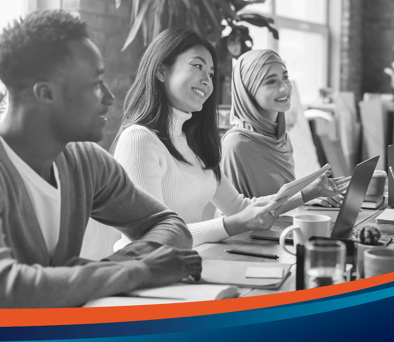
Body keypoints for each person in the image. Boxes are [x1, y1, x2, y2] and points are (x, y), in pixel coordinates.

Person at [0, 10, 201, 308]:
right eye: (95, 84)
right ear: (45, 93)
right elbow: (9, 289)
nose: (109, 96)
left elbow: (170, 225)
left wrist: (108, 270)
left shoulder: (85, 161)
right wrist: (139, 270)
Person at [112, 29, 347, 249]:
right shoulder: (139, 140)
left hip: (189, 263)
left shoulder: (192, 142)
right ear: (161, 71)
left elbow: (239, 206)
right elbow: (152, 238)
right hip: (150, 277)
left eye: (211, 74)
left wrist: (308, 192)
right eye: (197, 66)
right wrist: (235, 224)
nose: (207, 80)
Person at [221, 49, 345, 207]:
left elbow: (282, 200)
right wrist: (307, 195)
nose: (284, 88)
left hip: (285, 228)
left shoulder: (281, 137)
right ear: (248, 91)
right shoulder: (236, 145)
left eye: (285, 77)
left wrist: (312, 196)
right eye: (271, 81)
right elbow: (237, 213)